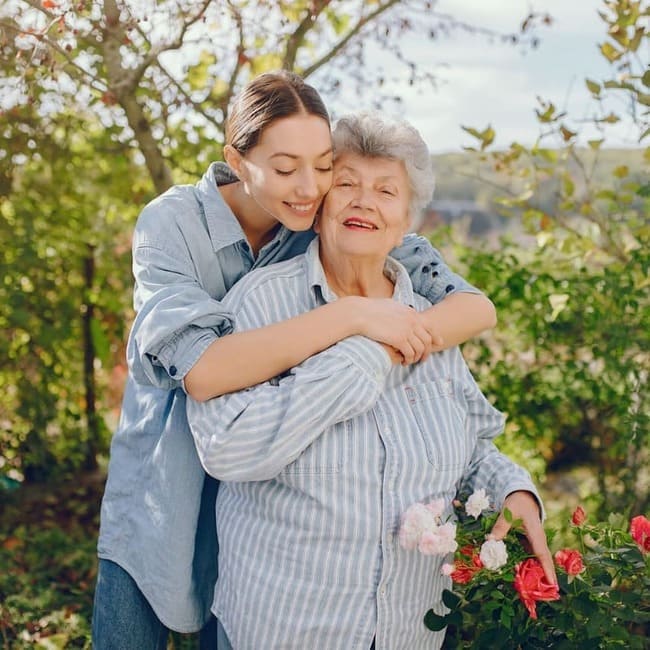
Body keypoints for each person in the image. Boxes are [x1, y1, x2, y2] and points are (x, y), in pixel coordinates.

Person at [92, 72, 497, 649]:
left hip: (265, 502)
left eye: (324, 164)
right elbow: (203, 371)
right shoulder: (173, 224)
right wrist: (353, 318)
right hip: (170, 484)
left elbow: (475, 307)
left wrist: (394, 339)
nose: (309, 187)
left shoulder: (327, 219)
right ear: (237, 159)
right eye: (285, 170)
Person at [187, 112, 555, 649]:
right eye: (347, 185)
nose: (364, 201)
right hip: (284, 631)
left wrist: (511, 489)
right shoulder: (260, 303)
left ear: (406, 219)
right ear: (318, 206)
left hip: (411, 632)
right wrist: (368, 350)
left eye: (386, 190)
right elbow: (227, 449)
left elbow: (471, 447)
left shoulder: (429, 313)